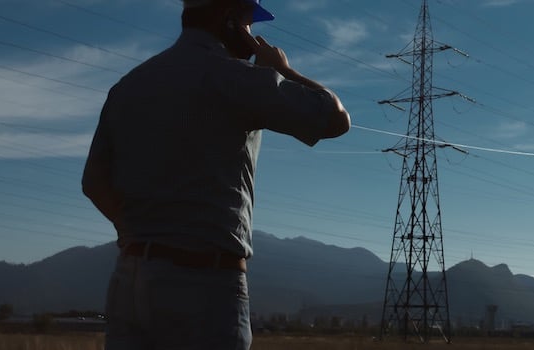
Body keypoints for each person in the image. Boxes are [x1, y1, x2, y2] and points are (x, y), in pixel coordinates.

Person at [81, 0, 350, 348]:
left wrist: (141, 236)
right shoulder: (234, 77)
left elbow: (94, 183)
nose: (254, 36)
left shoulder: (128, 86)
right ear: (229, 20)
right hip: (205, 284)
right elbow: (334, 119)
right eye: (249, 23)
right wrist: (282, 70)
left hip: (129, 279)